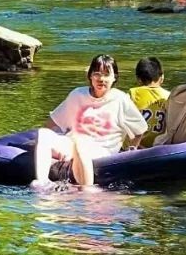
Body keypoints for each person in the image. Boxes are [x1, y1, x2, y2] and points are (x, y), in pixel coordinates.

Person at [33, 54, 148, 188]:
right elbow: (52, 123)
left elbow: (140, 129)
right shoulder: (78, 95)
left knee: (81, 143)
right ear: (90, 76)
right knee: (44, 134)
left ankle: (88, 190)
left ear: (114, 77)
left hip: (102, 150)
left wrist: (131, 150)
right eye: (97, 74)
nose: (101, 79)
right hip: (73, 144)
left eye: (106, 74)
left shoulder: (120, 99)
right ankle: (42, 183)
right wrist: (46, 143)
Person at [129, 57, 169, 148]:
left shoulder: (133, 93)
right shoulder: (168, 96)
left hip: (136, 146)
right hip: (157, 147)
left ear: (138, 79)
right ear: (162, 77)